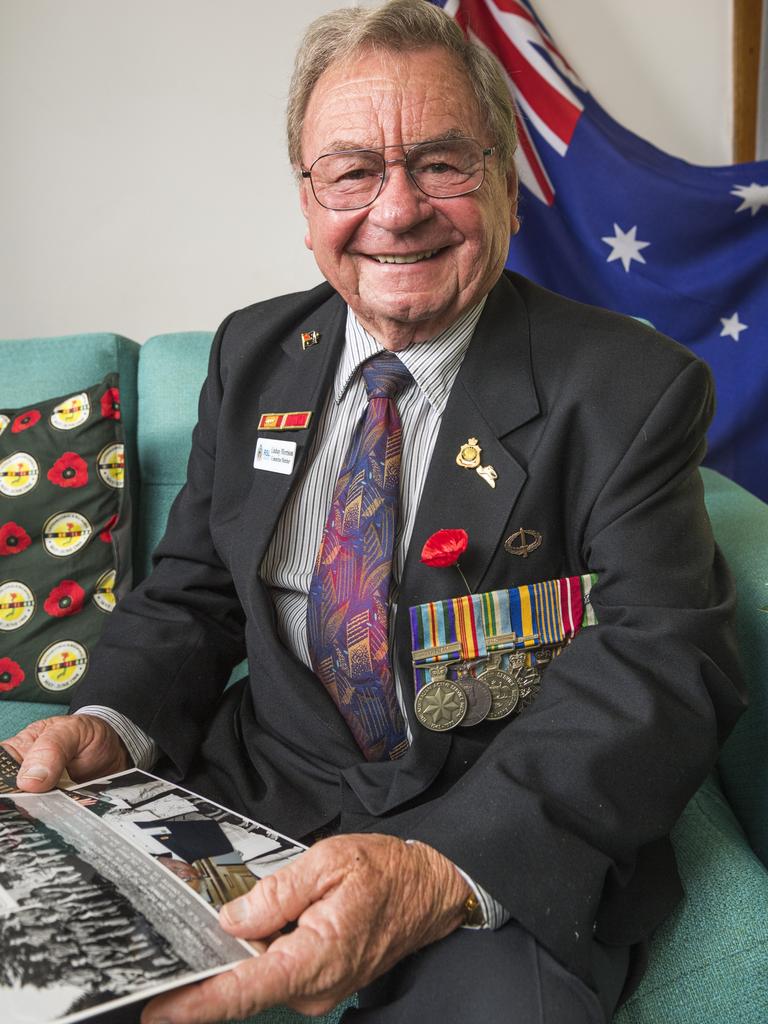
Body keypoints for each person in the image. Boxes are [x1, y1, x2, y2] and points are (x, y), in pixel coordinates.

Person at [2, 2, 745, 1022]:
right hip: (249, 794)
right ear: (308, 203)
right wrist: (105, 720)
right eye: (352, 172)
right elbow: (193, 593)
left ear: (505, 180)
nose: (396, 211)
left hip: (490, 827)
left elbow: (665, 658)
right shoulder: (252, 353)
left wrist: (437, 869)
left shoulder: (630, 386)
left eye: (442, 163)